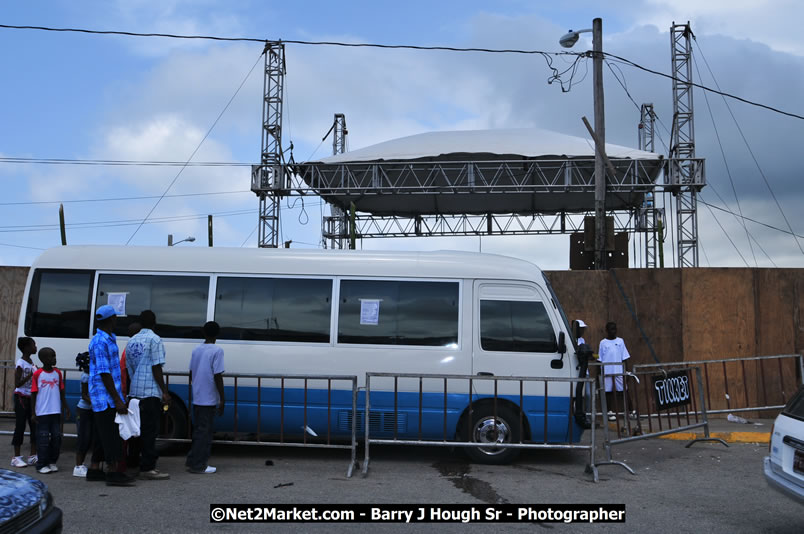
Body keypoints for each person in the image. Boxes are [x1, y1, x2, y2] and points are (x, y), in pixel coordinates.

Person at [88, 304, 135, 486]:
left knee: (101, 434)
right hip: (105, 397)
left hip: (108, 395)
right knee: (111, 435)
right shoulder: (100, 342)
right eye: (115, 317)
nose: (116, 320)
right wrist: (117, 399)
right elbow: (104, 372)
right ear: (111, 320)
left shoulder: (109, 338)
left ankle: (94, 469)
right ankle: (114, 473)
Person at [125, 310, 170, 480]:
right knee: (150, 432)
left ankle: (133, 465)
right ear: (154, 322)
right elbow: (156, 367)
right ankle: (148, 467)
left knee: (135, 432)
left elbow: (130, 369)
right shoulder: (154, 339)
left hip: (135, 392)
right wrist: (164, 391)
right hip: (150, 392)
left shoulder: (132, 341)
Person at [186, 321, 225, 474]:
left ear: (203, 333)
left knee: (198, 431)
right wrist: (222, 398)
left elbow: (191, 373)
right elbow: (217, 375)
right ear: (218, 334)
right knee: (205, 432)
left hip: (197, 396)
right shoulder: (217, 350)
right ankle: (199, 465)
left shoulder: (196, 350)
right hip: (208, 397)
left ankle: (192, 460)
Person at [30, 347, 70, 474]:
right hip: (42, 412)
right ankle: (41, 464)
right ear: (43, 359)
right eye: (51, 356)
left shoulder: (57, 373)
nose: (54, 358)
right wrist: (33, 412)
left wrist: (66, 407)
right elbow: (34, 394)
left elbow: (61, 392)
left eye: (54, 356)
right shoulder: (37, 374)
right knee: (42, 439)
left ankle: (52, 461)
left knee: (56, 437)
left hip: (55, 411)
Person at [11, 337, 37, 468]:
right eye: (33, 345)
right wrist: (30, 375)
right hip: (21, 397)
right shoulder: (21, 363)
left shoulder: (31, 361)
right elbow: (17, 384)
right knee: (20, 426)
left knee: (34, 425)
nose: (35, 347)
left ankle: (33, 455)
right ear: (26, 348)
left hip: (30, 396)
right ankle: (16, 457)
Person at [598, 322, 633, 421]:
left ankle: (630, 411)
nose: (613, 331)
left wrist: (627, 372)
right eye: (611, 329)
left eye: (614, 329)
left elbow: (625, 358)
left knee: (624, 391)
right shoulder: (603, 343)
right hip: (607, 372)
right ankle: (610, 412)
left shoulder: (620, 341)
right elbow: (600, 359)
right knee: (608, 392)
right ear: (607, 330)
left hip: (619, 371)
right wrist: (599, 374)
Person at [73, 352, 101, 477]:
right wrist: (95, 402)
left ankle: (88, 464)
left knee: (92, 437)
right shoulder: (85, 376)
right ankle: (78, 466)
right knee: (84, 438)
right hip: (84, 410)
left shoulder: (95, 375)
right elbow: (84, 395)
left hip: (93, 410)